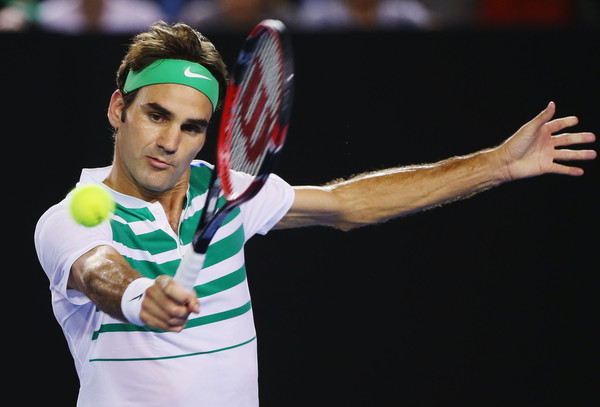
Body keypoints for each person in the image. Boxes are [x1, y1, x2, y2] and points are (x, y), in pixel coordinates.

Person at [34, 21, 596, 407]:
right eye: (156, 115)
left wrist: (495, 164)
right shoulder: (72, 219)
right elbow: (100, 271)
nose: (170, 141)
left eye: (192, 127)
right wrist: (143, 297)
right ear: (118, 108)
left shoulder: (228, 193)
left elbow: (348, 204)